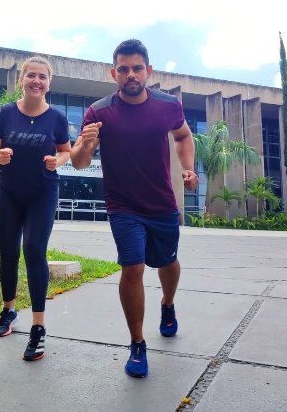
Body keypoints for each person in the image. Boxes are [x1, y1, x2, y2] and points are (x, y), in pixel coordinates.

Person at [70, 39, 197, 378]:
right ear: (114, 74)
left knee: (167, 263)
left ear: (148, 71)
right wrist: (87, 143)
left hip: (161, 203)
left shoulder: (167, 106)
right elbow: (79, 163)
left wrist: (187, 168)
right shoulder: (99, 112)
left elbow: (184, 137)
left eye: (137, 68)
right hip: (122, 206)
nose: (130, 74)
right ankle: (137, 344)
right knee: (133, 268)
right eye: (123, 69)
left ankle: (167, 305)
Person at [0, 56, 71, 361]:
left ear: (49, 83)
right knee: (8, 252)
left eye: (42, 77)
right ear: (22, 79)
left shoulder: (57, 118)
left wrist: (56, 161)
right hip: (8, 192)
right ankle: (8, 311)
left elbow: (65, 151)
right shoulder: (5, 113)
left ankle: (38, 328)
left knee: (34, 250)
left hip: (42, 192)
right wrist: (0, 156)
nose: (37, 81)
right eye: (31, 75)